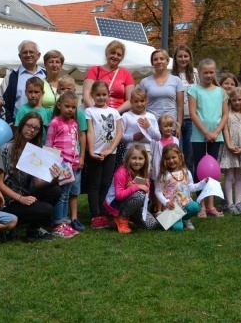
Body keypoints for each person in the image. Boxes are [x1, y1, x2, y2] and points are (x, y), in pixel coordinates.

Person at [0, 112, 63, 241]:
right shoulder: (6, 149)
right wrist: (20, 199)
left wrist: (54, 177)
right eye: (29, 126)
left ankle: (33, 229)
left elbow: (37, 183)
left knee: (56, 190)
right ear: (21, 125)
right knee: (46, 210)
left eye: (36, 128)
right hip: (7, 201)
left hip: (24, 196)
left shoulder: (34, 150)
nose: (31, 130)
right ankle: (9, 225)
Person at [82, 40, 135, 168]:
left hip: (116, 118)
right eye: (113, 53)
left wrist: (114, 113)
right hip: (95, 118)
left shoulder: (126, 74)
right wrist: (96, 113)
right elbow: (86, 94)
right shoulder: (95, 70)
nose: (115, 56)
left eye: (119, 54)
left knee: (114, 155)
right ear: (107, 53)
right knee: (94, 150)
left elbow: (131, 100)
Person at [188, 58, 228, 218]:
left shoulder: (221, 92)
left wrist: (216, 132)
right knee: (200, 170)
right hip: (199, 136)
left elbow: (225, 114)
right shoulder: (194, 90)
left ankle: (211, 205)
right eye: (205, 72)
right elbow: (192, 113)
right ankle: (201, 205)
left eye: (211, 72)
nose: (209, 75)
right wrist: (205, 132)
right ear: (200, 73)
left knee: (212, 171)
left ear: (215, 72)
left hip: (216, 137)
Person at [45, 90, 87, 237]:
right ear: (59, 105)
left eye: (73, 107)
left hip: (73, 164)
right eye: (67, 106)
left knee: (68, 193)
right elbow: (49, 144)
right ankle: (58, 223)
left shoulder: (75, 123)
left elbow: (76, 144)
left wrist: (79, 159)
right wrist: (52, 163)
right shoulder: (55, 123)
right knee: (62, 195)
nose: (70, 109)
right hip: (62, 164)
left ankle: (64, 222)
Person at [85, 80, 124, 229]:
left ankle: (103, 212)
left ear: (108, 95)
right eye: (98, 95)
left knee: (106, 183)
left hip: (110, 153)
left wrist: (110, 149)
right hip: (95, 153)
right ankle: (95, 215)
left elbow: (119, 132)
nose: (101, 97)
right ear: (92, 95)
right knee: (94, 184)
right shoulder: (89, 111)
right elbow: (90, 131)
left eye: (104, 94)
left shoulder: (114, 112)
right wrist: (91, 151)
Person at [105, 145, 159, 233]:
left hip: (133, 204)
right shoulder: (121, 172)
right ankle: (121, 218)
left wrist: (141, 188)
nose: (137, 162)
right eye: (134, 158)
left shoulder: (144, 172)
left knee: (152, 225)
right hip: (116, 203)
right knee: (139, 196)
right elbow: (119, 196)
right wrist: (136, 187)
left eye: (140, 158)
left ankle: (128, 218)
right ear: (128, 159)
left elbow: (147, 197)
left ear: (145, 160)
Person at [155, 144, 208, 231]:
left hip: (186, 204)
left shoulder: (186, 172)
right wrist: (166, 202)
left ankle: (185, 218)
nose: (171, 161)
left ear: (180, 156)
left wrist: (203, 183)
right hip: (172, 207)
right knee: (178, 228)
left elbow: (191, 187)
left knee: (196, 207)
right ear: (164, 160)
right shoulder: (163, 175)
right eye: (168, 158)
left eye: (173, 157)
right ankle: (178, 219)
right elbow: (158, 191)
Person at [220, 87, 241, 215]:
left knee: (240, 177)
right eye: (234, 100)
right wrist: (228, 145)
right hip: (230, 148)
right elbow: (226, 130)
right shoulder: (227, 114)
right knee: (229, 176)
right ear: (230, 101)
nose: (237, 102)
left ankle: (238, 203)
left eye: (240, 100)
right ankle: (229, 203)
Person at [139, 49, 184, 136]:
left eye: (162, 59)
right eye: (155, 59)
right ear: (152, 63)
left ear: (167, 61)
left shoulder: (176, 80)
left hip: (170, 126)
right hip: (151, 126)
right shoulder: (145, 82)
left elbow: (180, 106)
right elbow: (141, 105)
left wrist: (179, 126)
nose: (159, 61)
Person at [1, 40, 46, 124]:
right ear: (19, 56)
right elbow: (2, 101)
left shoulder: (46, 75)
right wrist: (10, 122)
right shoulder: (11, 77)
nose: (28, 55)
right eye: (25, 52)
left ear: (38, 55)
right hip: (18, 125)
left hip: (43, 125)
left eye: (31, 52)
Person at [171, 45, 198, 173]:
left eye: (185, 56)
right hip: (175, 119)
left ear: (190, 58)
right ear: (175, 58)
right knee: (177, 153)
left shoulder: (196, 74)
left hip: (192, 119)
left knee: (190, 156)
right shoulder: (170, 75)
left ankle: (190, 186)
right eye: (180, 56)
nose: (183, 59)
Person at [121, 88, 161, 160]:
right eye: (136, 101)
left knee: (145, 171)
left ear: (146, 101)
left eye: (142, 101)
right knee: (130, 170)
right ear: (131, 102)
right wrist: (132, 137)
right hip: (130, 150)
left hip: (146, 150)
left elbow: (158, 137)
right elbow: (120, 136)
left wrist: (148, 127)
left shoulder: (151, 117)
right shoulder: (126, 116)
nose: (139, 104)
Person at [14, 77, 53, 141]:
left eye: (36, 92)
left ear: (42, 93)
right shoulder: (22, 110)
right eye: (30, 92)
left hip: (41, 146)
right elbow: (18, 131)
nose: (33, 95)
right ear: (25, 92)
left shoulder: (45, 111)